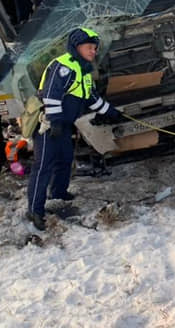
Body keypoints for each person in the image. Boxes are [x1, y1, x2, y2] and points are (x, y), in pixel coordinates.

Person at [27, 27, 124, 230]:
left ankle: (59, 193)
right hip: (47, 125)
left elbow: (91, 97)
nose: (93, 51)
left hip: (63, 125)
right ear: (76, 47)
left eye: (95, 48)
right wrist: (54, 123)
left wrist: (111, 112)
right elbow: (50, 95)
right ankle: (35, 210)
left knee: (65, 159)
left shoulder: (84, 70)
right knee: (43, 166)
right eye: (89, 47)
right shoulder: (62, 67)